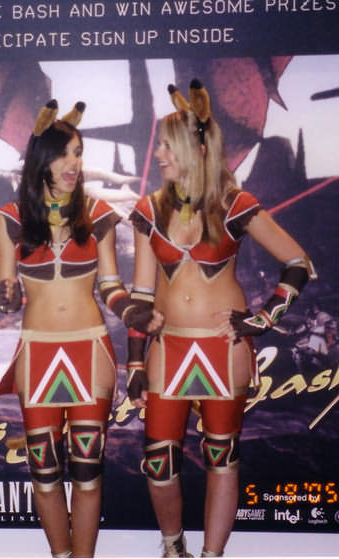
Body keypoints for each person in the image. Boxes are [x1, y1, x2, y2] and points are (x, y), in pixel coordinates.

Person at [127, 80, 316, 557]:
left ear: (196, 149)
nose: (160, 154)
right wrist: (134, 362)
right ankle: (173, 547)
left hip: (222, 347)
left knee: (222, 457)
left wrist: (262, 320)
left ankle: (212, 556)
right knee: (158, 462)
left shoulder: (235, 203)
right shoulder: (148, 210)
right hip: (167, 348)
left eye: (168, 145)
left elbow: (298, 263)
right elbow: (142, 295)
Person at [0, 100, 162, 558]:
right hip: (37, 355)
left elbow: (110, 285)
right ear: (41, 159)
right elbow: (5, 291)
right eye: (64, 154)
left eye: (79, 153)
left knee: (88, 474)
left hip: (89, 352)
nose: (74, 163)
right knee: (45, 475)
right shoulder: (10, 218)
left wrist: (131, 312)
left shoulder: (97, 213)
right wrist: (3, 295)